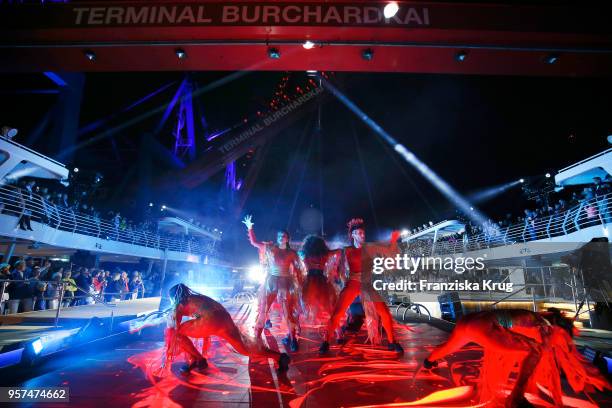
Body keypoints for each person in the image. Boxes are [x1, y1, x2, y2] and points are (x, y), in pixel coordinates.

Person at [423, 309, 610, 407]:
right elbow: (543, 347)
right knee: (535, 350)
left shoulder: (529, 314)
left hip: (468, 321)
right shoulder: (542, 323)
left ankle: (429, 361)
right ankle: (516, 397)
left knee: (448, 347)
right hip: (485, 327)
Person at [162, 283, 289, 374]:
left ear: (174, 297)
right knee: (244, 348)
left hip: (210, 321)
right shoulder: (197, 297)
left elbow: (173, 327)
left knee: (176, 334)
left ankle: (198, 360)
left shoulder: (179, 304)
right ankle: (280, 357)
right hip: (224, 320)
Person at [320, 218, 403, 354]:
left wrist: (393, 240)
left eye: (363, 233)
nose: (363, 235)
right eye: (359, 233)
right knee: (337, 313)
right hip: (353, 282)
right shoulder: (346, 250)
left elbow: (389, 252)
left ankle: (392, 341)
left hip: (368, 283)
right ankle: (326, 341)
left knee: (384, 313)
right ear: (353, 235)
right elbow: (328, 256)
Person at [242, 215, 304, 352]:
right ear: (277, 238)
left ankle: (293, 339)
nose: (281, 237)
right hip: (270, 281)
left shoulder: (292, 253)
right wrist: (250, 227)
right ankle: (256, 339)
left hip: (285, 282)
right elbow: (254, 242)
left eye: (284, 236)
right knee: (263, 310)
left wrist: (300, 286)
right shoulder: (269, 248)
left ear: (288, 238)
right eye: (280, 236)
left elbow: (298, 270)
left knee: (287, 313)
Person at [298, 235, 341, 324]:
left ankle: (307, 321)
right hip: (321, 280)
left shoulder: (304, 253)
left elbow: (295, 254)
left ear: (307, 244)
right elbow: (339, 251)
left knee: (306, 301)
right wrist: (334, 267)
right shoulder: (325, 253)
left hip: (310, 279)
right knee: (327, 305)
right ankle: (337, 331)